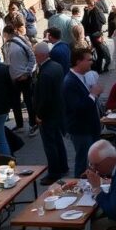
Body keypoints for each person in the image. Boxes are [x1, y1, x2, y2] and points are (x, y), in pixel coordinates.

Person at [63, 48, 105, 177]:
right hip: (81, 130)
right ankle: (79, 187)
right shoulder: (69, 82)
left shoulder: (83, 77)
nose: (91, 62)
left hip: (90, 127)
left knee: (93, 160)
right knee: (83, 161)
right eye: (89, 60)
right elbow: (77, 108)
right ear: (78, 61)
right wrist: (93, 95)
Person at [32, 41, 69, 184]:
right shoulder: (56, 66)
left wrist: (39, 115)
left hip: (48, 114)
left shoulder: (46, 73)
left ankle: (54, 172)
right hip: (57, 111)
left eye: (35, 55)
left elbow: (44, 97)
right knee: (57, 141)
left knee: (50, 144)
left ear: (41, 55)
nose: (35, 57)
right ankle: (63, 165)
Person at [2, 25, 37, 136]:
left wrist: (27, 73)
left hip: (24, 78)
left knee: (28, 101)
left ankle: (33, 125)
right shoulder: (7, 45)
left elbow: (32, 57)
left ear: (6, 34)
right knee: (15, 102)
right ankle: (20, 125)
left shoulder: (20, 42)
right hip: (14, 79)